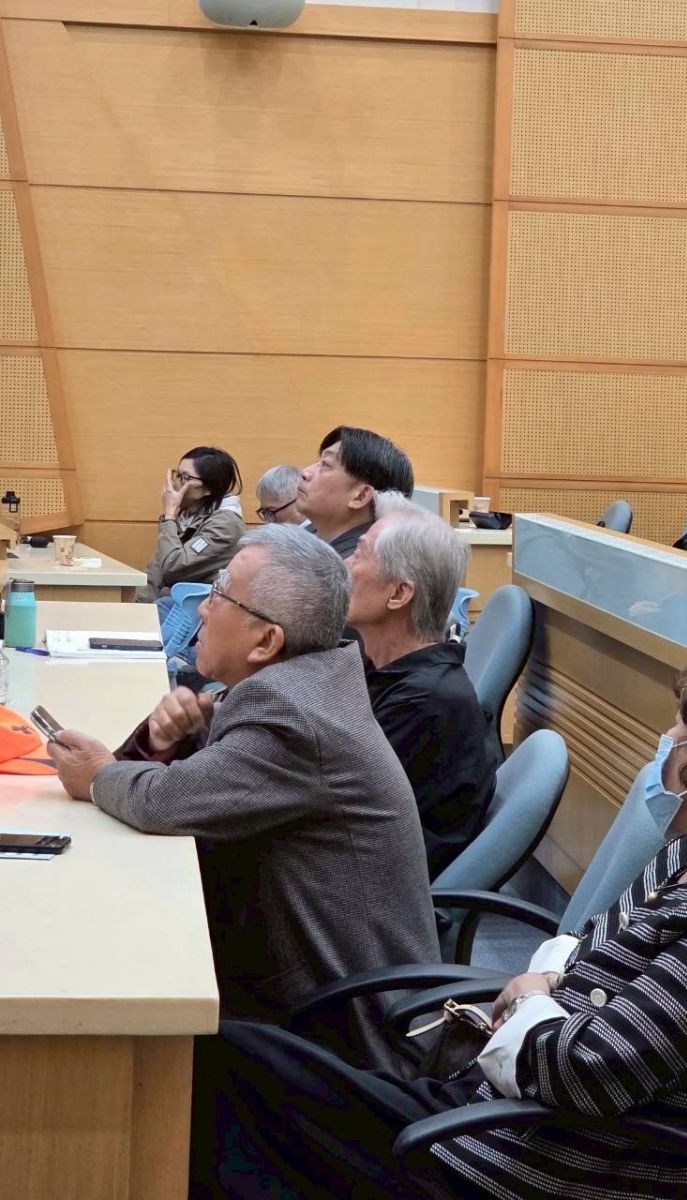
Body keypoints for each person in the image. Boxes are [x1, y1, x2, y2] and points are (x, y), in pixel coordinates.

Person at [188, 644, 687, 1199]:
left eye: (680, 732)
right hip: (493, 1113)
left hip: (527, 1165)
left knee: (217, 1072)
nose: (664, 745)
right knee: (225, 1056)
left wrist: (532, 1002)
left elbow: (590, 1071)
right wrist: (548, 990)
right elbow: (591, 954)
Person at [48, 525, 440, 1067]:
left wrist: (97, 774)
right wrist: (163, 741)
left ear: (266, 642)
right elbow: (203, 786)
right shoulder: (305, 682)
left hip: (343, 1036)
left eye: (219, 594)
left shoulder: (291, 716)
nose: (202, 609)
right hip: (303, 981)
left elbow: (162, 803)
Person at [347, 492, 495, 878]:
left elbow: (322, 798)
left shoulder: (424, 702)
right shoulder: (386, 669)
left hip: (369, 895)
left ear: (398, 594)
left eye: (358, 555)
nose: (343, 566)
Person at [138, 446, 245, 602]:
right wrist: (138, 607)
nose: (174, 485)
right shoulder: (188, 516)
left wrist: (169, 516)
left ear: (208, 488)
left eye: (185, 478)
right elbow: (156, 571)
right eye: (178, 475)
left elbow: (174, 567)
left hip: (192, 612)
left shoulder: (225, 526)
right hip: (163, 607)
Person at [297, 426, 414, 559]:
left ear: (360, 496)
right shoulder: (309, 535)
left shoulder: (351, 568)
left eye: (326, 464)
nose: (305, 472)